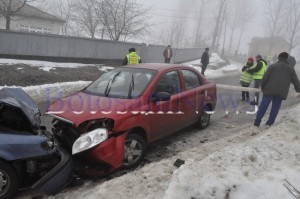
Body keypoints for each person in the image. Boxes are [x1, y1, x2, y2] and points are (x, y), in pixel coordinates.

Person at [254, 52, 300, 127]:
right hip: (281, 92)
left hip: (269, 90)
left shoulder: (273, 66)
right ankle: (269, 124)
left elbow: (265, 77)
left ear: (279, 58)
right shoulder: (291, 69)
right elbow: (296, 81)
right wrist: (299, 90)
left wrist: (263, 87)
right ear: (286, 59)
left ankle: (257, 122)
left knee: (263, 106)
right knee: (275, 108)